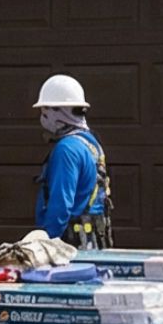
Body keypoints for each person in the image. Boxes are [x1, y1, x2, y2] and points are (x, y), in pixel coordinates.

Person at [32, 75, 113, 248]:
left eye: (45, 109)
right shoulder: (91, 143)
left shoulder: (66, 149)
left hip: (69, 246)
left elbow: (61, 205)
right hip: (92, 241)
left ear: (58, 111)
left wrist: (45, 246)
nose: (42, 116)